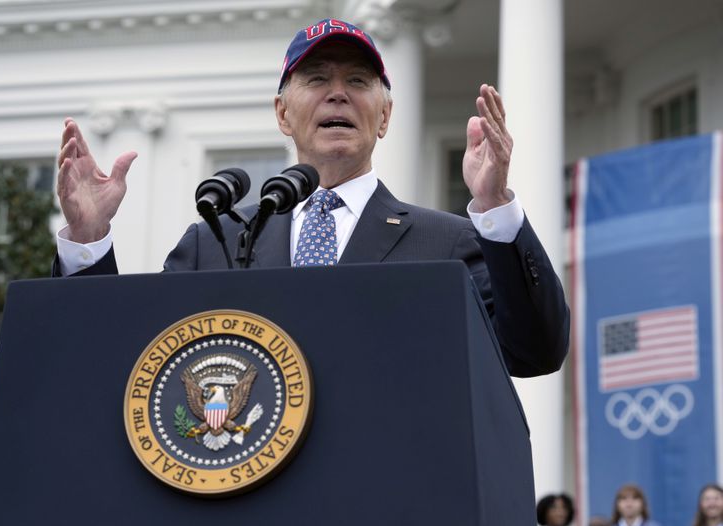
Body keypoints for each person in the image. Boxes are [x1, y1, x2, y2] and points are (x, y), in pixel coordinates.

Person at [54, 18, 569, 378]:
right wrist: (88, 240)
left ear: (385, 117)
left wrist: (496, 205)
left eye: (358, 81)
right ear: (283, 114)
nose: (338, 93)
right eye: (317, 79)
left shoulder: (449, 241)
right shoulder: (215, 241)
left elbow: (533, 352)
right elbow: (122, 362)